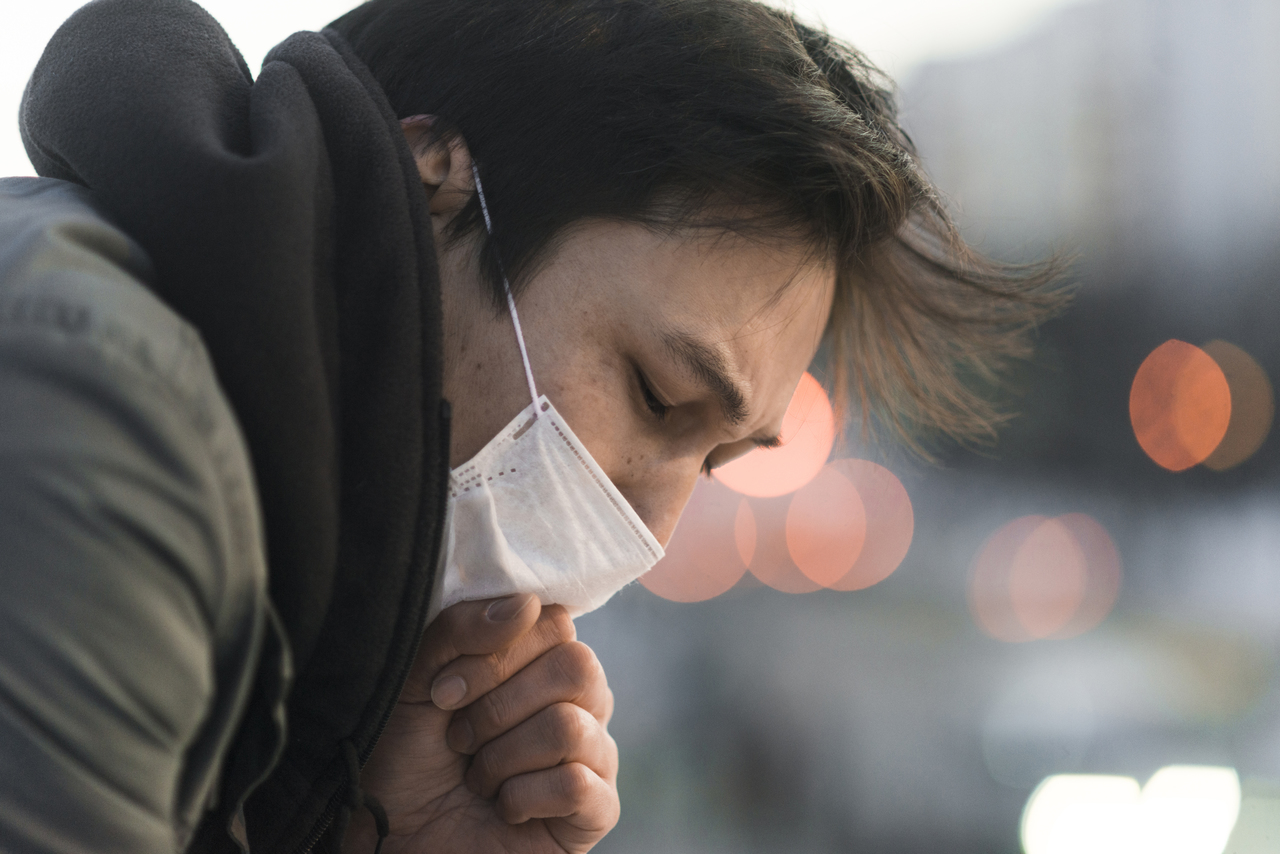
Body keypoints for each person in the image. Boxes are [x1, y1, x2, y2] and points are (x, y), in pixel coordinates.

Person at [0, 0, 1060, 851]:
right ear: (432, 177)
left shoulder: (267, 522)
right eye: (654, 394)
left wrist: (363, 827)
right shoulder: (105, 421)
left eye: (714, 460)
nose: (652, 528)